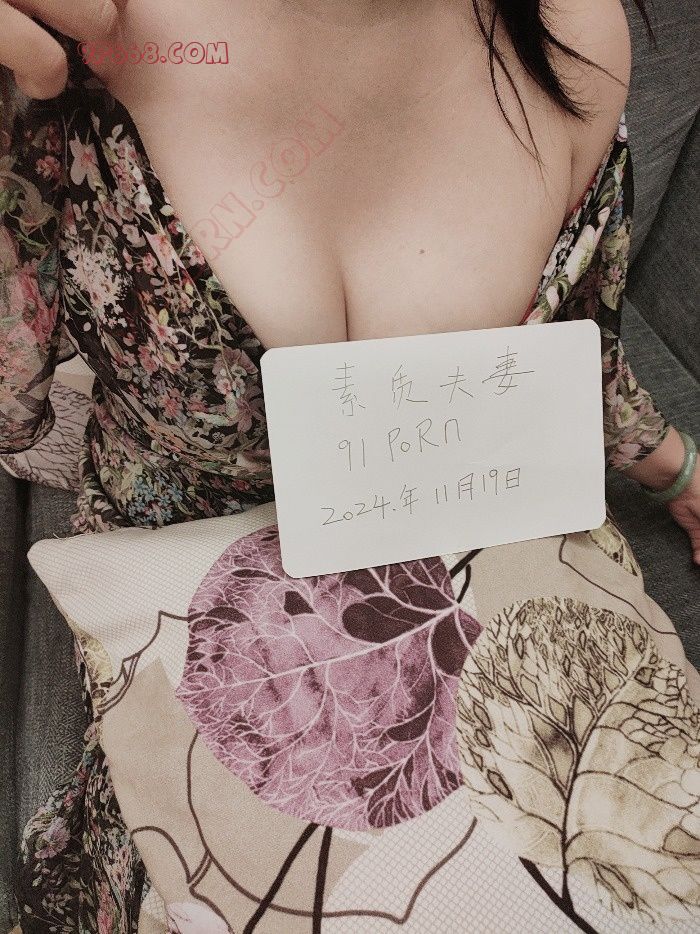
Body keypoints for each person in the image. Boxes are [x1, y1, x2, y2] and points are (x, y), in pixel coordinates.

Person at [0, 0, 698, 929]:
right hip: (185, 615)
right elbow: (12, 399)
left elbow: (567, 349)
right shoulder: (79, 33)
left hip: (474, 587)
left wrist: (675, 470)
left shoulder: (572, 31)